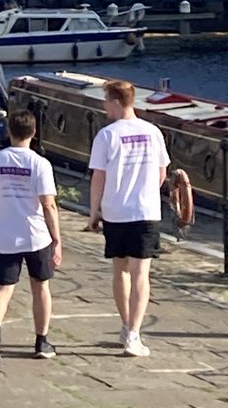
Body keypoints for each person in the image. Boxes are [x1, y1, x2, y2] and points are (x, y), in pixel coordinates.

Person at [87, 79, 170, 358]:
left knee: (120, 270)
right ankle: (134, 333)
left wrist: (93, 212)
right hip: (145, 210)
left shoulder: (107, 136)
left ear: (116, 102)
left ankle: (125, 326)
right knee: (141, 273)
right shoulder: (153, 132)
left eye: (106, 100)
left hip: (116, 211)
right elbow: (161, 174)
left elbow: (98, 177)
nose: (103, 105)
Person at [0, 110, 62, 369]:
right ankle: (42, 342)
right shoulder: (40, 164)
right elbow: (48, 205)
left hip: (5, 235)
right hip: (36, 235)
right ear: (33, 133)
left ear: (9, 132)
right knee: (41, 287)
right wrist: (56, 239)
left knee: (2, 289)